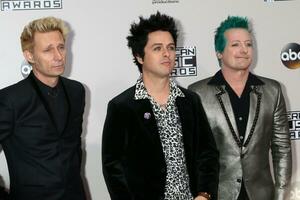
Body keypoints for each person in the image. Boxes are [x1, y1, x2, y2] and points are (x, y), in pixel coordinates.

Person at [102, 12, 219, 200]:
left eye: (171, 47)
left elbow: (207, 154)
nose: (167, 54)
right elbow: (113, 168)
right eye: (157, 48)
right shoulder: (122, 106)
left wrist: (204, 194)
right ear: (139, 56)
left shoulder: (190, 100)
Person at [189, 16, 292, 200]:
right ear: (219, 52)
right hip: (216, 194)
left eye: (249, 44)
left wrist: (281, 194)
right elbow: (193, 153)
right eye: (235, 44)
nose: (244, 50)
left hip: (262, 194)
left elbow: (282, 148)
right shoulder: (197, 93)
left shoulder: (273, 90)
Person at [0, 17, 86, 200]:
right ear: (30, 56)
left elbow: (74, 147)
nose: (58, 56)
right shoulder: (10, 99)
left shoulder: (76, 91)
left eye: (61, 47)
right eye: (48, 50)